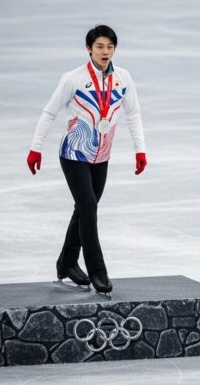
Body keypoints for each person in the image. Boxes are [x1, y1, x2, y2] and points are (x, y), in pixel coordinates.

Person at [26, 24, 147, 297]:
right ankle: (98, 272)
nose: (105, 52)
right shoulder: (73, 78)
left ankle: (66, 262)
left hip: (101, 156)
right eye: (100, 46)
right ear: (89, 49)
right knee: (89, 208)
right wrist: (36, 148)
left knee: (84, 210)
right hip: (74, 153)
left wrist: (140, 150)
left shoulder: (123, 78)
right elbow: (49, 112)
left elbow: (133, 114)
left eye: (110, 47)